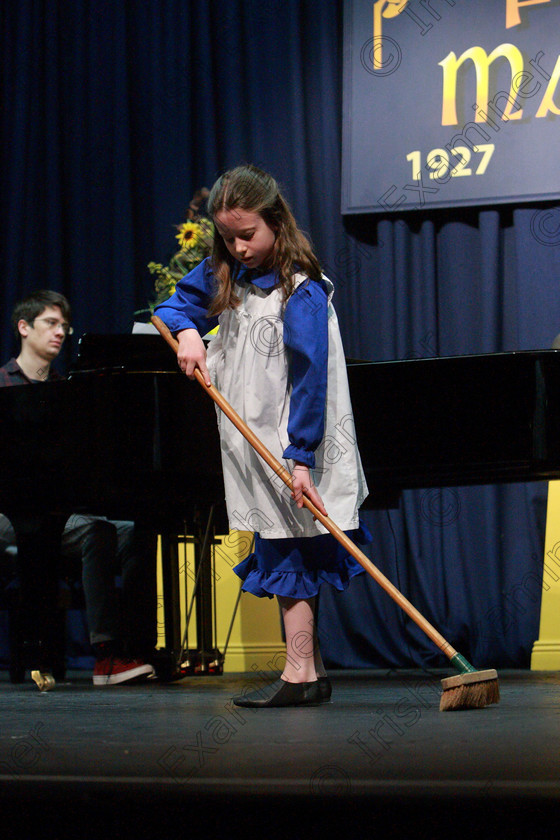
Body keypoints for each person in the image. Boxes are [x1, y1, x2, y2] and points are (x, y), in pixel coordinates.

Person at [155, 165, 370, 707]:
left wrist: (300, 459)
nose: (238, 247)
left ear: (275, 221)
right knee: (284, 542)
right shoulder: (227, 271)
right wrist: (188, 335)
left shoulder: (302, 292)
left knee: (290, 550)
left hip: (295, 442)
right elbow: (171, 305)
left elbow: (310, 379)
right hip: (251, 439)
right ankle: (311, 671)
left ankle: (298, 673)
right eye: (227, 237)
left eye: (247, 234)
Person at [0, 290, 157, 686]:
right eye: (50, 324)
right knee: (96, 531)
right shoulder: (3, 386)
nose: (60, 333)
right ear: (24, 327)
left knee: (138, 532)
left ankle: (137, 648)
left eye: (65, 327)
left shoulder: (68, 391)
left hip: (56, 508)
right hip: (6, 511)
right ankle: (104, 656)